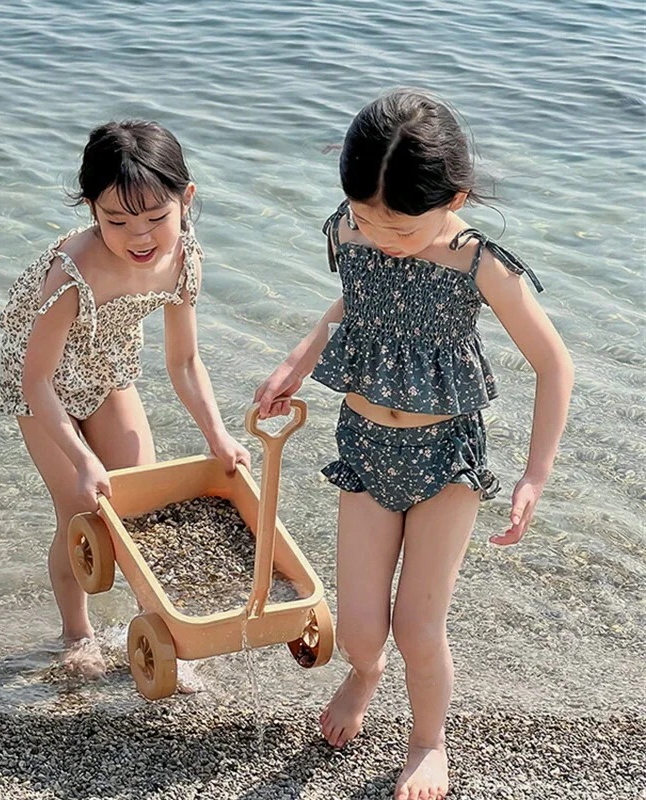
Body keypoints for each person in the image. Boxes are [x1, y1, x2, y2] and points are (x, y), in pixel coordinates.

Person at [254, 88, 573, 800]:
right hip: (365, 447)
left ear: (455, 198)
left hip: (445, 460)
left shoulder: (480, 263)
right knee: (363, 632)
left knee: (417, 629)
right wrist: (297, 362)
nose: (381, 236)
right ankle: (364, 676)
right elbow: (351, 304)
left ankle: (428, 741)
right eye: (368, 218)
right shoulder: (353, 229)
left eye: (401, 226)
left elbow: (555, 364)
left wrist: (535, 474)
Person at [0, 120, 250, 678]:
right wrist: (84, 460)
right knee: (80, 513)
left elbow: (184, 362)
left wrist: (218, 435)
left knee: (140, 509)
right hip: (44, 387)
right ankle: (76, 635)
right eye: (117, 220)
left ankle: (159, 636)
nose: (140, 237)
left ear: (186, 200)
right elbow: (37, 380)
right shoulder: (73, 273)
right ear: (91, 209)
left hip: (108, 370)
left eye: (156, 219)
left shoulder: (184, 257)